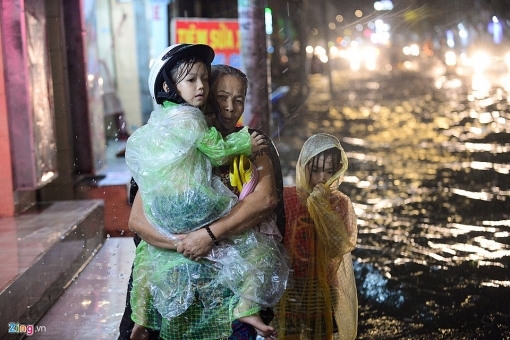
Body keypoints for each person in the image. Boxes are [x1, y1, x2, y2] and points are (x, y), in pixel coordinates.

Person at [123, 48, 288, 340]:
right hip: (180, 276)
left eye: (238, 100)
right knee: (147, 268)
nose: (229, 107)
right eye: (221, 97)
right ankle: (141, 323)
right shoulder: (175, 147)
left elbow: (265, 201)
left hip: (230, 287)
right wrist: (184, 245)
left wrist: (208, 236)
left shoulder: (251, 142)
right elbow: (138, 220)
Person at [271, 133, 358, 339]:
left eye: (329, 171)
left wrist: (324, 211)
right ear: (303, 166)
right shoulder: (286, 197)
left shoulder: (340, 203)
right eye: (316, 170)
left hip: (323, 287)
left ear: (338, 172)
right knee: (287, 333)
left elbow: (339, 247)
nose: (322, 178)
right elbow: (271, 239)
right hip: (289, 285)